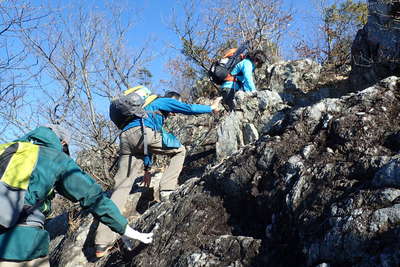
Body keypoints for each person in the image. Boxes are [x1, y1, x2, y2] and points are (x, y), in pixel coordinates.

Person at [0, 125, 153, 266]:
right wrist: (124, 229)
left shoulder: (5, 149)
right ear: (63, 143)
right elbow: (93, 197)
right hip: (19, 244)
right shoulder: (55, 157)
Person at [95, 91, 221, 257]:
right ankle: (167, 190)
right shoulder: (162, 101)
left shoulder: (140, 111)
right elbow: (187, 108)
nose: (174, 112)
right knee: (179, 150)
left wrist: (147, 170)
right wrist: (210, 108)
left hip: (125, 139)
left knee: (120, 190)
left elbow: (145, 146)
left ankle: (101, 243)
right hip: (143, 134)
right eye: (174, 106)